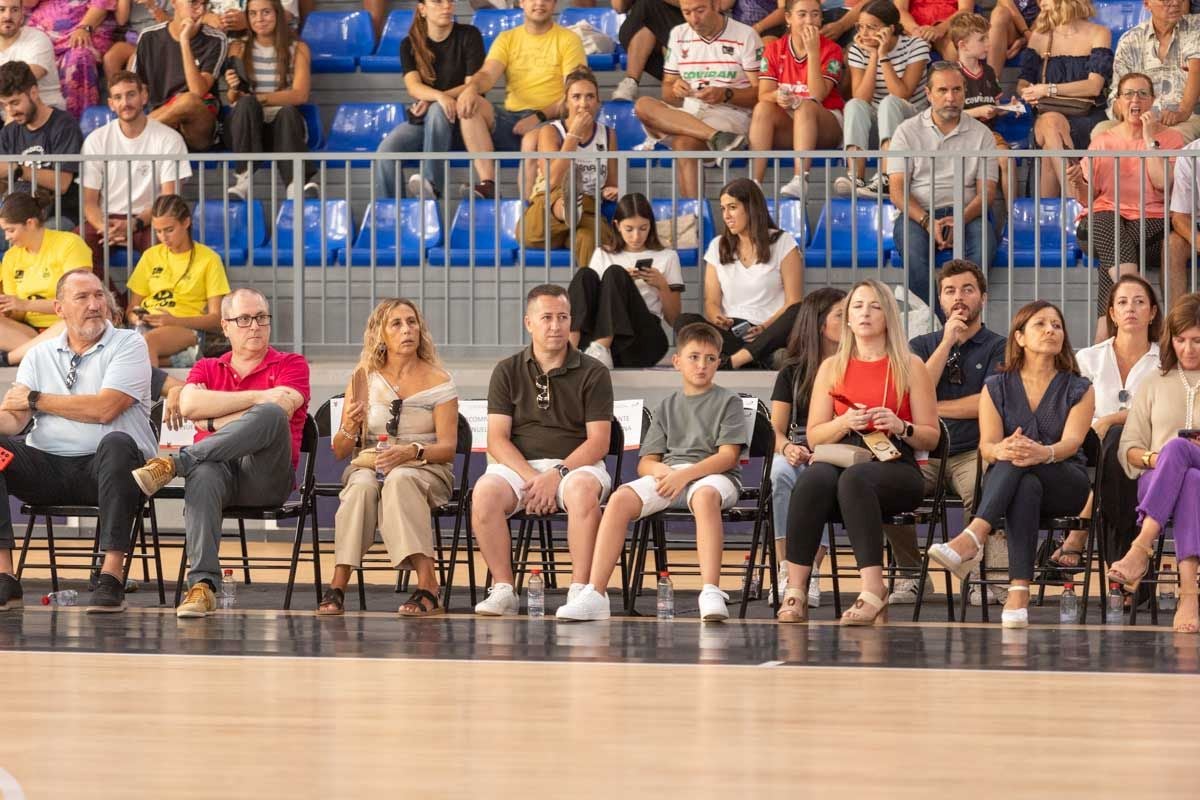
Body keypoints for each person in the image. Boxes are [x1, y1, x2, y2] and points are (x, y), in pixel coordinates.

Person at [129, 287, 310, 619]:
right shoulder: (208, 367)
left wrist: (212, 420)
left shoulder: (291, 363)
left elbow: (282, 407)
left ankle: (175, 464)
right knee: (206, 470)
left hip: (265, 479)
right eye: (244, 319)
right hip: (216, 474)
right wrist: (258, 398)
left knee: (269, 417)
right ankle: (202, 588)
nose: (255, 326)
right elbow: (189, 404)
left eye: (261, 318)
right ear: (225, 326)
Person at [556, 321, 746, 622]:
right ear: (677, 362)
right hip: (670, 476)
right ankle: (595, 593)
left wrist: (685, 475)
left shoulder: (729, 401)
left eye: (710, 359)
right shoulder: (667, 406)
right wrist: (662, 471)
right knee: (619, 499)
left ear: (719, 363)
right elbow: (646, 461)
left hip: (714, 476)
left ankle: (710, 590)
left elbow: (727, 456)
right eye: (694, 357)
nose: (702, 365)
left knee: (706, 496)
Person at [779, 279, 941, 624]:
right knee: (812, 480)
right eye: (857, 306)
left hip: (897, 462)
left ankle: (873, 589)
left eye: (874, 306)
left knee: (854, 480)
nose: (865, 313)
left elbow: (931, 436)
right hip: (844, 452)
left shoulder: (911, 366)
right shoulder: (831, 367)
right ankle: (795, 588)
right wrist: (846, 422)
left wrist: (901, 426)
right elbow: (815, 435)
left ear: (888, 317)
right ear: (848, 319)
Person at [929, 300, 1095, 628]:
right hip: (1016, 483)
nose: (1051, 330)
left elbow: (1072, 444)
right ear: (1019, 337)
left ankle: (974, 534)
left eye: (1057, 325)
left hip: (1065, 480)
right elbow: (987, 447)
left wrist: (1041, 453)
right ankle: (1018, 591)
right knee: (1019, 472)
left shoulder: (1079, 387)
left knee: (1018, 461)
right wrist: (1005, 449)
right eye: (1040, 324)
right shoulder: (996, 386)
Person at [0, 270, 156, 614]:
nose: (95, 304)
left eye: (99, 295)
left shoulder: (129, 344)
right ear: (59, 309)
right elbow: (15, 420)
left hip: (108, 471)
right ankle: (5, 576)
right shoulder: (39, 355)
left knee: (117, 441)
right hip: (46, 468)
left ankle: (111, 577)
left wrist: (37, 398)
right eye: (82, 298)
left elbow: (106, 408)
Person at [470, 284, 613, 616]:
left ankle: (581, 591)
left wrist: (556, 474)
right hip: (520, 469)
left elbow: (598, 442)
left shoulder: (594, 372)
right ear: (529, 322)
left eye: (563, 317)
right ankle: (504, 588)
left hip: (577, 466)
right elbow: (497, 440)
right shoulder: (506, 370)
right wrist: (534, 478)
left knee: (579, 490)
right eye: (546, 317)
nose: (555, 325)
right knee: (485, 492)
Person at [317, 299, 459, 617]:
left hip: (426, 467)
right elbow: (340, 451)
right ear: (380, 333)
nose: (407, 329)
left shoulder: (439, 380)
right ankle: (338, 585)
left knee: (401, 479)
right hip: (371, 463)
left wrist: (411, 452)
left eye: (412, 322)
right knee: (361, 488)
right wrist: (352, 425)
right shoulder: (363, 378)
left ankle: (428, 586)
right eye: (396, 324)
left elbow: (448, 448)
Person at [904, 260, 1007, 606]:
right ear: (940, 299)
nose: (958, 297)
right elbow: (912, 391)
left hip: (971, 452)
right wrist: (947, 342)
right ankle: (909, 574)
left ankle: (977, 575)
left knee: (984, 485)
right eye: (950, 291)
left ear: (983, 297)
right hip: (924, 454)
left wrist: (929, 407)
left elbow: (988, 401)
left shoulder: (1001, 346)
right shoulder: (921, 345)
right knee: (885, 485)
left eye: (967, 289)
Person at [1066, 72, 1187, 341]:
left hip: (1152, 222)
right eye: (1129, 94)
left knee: (1117, 248)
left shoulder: (1172, 140)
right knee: (1106, 216)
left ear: (1153, 101)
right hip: (1102, 223)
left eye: (1143, 94)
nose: (1136, 99)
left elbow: (1162, 184)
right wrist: (1077, 184)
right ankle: (1136, 294)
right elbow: (1088, 199)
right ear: (1118, 102)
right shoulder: (1102, 141)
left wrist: (1148, 139)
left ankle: (1104, 334)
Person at [1052, 273, 1160, 571]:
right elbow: (1068, 411)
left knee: (1117, 436)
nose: (1130, 309)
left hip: (1148, 450)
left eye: (1139, 302)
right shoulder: (1087, 358)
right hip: (1089, 446)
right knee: (1113, 443)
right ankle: (1124, 568)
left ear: (1152, 312)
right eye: (1122, 302)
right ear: (1112, 313)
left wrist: (1115, 418)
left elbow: (1164, 413)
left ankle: (1079, 534)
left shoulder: (1166, 360)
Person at [1109, 291, 1200, 633]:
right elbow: (1128, 448)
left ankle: (1140, 548)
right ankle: (1188, 595)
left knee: (1178, 449)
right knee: (1187, 475)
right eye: (1181, 340)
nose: (1188, 349)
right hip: (1160, 478)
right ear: (1170, 340)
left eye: (1197, 341)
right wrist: (1153, 457)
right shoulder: (1153, 382)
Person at [887, 62, 998, 305]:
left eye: (957, 90)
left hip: (968, 212)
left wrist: (959, 219)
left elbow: (987, 193)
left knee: (982, 247)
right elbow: (896, 191)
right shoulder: (906, 131)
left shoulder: (982, 134)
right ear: (928, 94)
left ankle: (966, 315)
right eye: (942, 90)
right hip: (919, 213)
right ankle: (940, 324)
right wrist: (927, 221)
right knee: (914, 252)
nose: (951, 97)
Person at [456, 0, 586, 200]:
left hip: (551, 121)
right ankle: (488, 183)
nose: (539, 3)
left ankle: (528, 209)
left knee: (531, 139)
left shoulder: (568, 39)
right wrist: (471, 88)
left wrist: (538, 116)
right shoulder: (507, 38)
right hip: (512, 120)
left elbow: (574, 94)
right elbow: (487, 74)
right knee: (471, 105)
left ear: (554, 4)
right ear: (522, 3)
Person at [633, 0, 763, 199]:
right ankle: (717, 137)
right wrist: (675, 88)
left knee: (683, 144)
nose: (694, 19)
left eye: (700, 10)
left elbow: (761, 93)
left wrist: (727, 94)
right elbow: (667, 90)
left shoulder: (746, 35)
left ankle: (693, 221)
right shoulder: (678, 34)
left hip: (729, 115)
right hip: (690, 111)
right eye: (687, 12)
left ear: (717, 5)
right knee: (642, 105)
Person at [673, 178, 803, 369]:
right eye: (723, 209)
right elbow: (712, 302)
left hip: (769, 330)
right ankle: (761, 359)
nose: (726, 215)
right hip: (732, 332)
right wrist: (718, 317)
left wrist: (764, 327)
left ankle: (736, 361)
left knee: (799, 310)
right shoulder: (718, 245)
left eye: (732, 207)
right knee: (684, 321)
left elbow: (793, 301)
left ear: (751, 208)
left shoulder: (783, 242)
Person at [768, 286, 845, 609]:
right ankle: (788, 569)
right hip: (798, 447)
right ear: (819, 323)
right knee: (780, 472)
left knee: (819, 478)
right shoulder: (792, 372)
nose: (852, 320)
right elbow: (775, 428)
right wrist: (786, 447)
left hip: (839, 450)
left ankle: (811, 570)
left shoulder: (853, 366)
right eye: (842, 315)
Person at [372, 0, 484, 201]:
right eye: (438, 2)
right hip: (427, 123)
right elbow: (413, 87)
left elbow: (472, 85)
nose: (447, 6)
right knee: (386, 151)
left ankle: (431, 184)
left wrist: (437, 100)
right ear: (422, 9)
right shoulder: (409, 44)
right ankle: (391, 212)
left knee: (436, 110)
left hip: (465, 119)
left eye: (450, 1)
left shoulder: (469, 34)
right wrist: (438, 97)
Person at [80, 71, 191, 272]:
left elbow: (168, 200)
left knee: (167, 243)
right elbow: (89, 201)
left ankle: (143, 303)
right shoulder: (96, 140)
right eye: (118, 97)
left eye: (131, 94)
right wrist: (104, 227)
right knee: (75, 249)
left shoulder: (169, 139)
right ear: (111, 103)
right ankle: (115, 302)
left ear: (144, 96)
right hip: (107, 219)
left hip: (151, 219)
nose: (125, 102)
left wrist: (135, 224)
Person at [568, 192, 683, 369]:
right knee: (585, 274)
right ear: (617, 226)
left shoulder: (667, 257)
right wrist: (617, 285)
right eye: (629, 229)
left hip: (643, 341)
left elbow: (674, 319)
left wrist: (661, 285)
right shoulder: (603, 253)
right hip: (600, 337)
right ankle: (569, 350)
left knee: (615, 273)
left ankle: (601, 347)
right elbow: (590, 302)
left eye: (643, 228)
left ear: (651, 226)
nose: (636, 236)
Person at [518, 67, 618, 270]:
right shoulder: (550, 131)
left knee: (589, 237)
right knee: (530, 228)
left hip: (588, 206)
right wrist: (573, 136)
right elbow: (552, 178)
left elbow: (612, 182)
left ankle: (588, 295)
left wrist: (611, 191)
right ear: (566, 102)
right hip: (549, 205)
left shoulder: (608, 134)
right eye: (576, 97)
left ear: (598, 102)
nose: (584, 103)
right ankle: (568, 210)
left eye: (590, 96)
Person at [833, 0, 930, 198]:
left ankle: (887, 176)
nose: (864, 32)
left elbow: (902, 93)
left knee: (890, 102)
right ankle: (855, 176)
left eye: (872, 27)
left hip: (913, 119)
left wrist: (884, 55)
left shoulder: (916, 46)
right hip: (877, 122)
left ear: (890, 28)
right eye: (860, 26)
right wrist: (873, 56)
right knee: (853, 105)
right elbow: (861, 97)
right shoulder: (858, 49)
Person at [749, 0, 846, 198]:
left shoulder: (832, 49)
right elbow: (764, 94)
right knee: (763, 108)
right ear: (788, 18)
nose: (809, 20)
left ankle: (800, 179)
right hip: (791, 124)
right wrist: (777, 96)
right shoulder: (774, 49)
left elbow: (817, 95)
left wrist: (813, 51)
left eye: (815, 14)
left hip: (826, 123)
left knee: (805, 105)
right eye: (802, 14)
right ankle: (754, 184)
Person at [1016, 0, 1111, 199]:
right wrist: (1029, 93)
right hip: (1048, 116)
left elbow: (1093, 86)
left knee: (1051, 152)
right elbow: (1023, 83)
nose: (1040, 3)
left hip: (1087, 116)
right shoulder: (1040, 36)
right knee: (1051, 121)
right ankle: (1076, 201)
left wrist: (1048, 90)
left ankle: (1048, 219)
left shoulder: (1099, 33)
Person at [223, 0, 314, 200]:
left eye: (266, 12)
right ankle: (243, 181)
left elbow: (300, 94)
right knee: (246, 104)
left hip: (282, 126)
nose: (259, 19)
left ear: (278, 14)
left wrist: (259, 98)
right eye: (253, 14)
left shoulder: (298, 48)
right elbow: (234, 99)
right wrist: (233, 88)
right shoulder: (237, 47)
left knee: (289, 111)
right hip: (246, 125)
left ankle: (295, 186)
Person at [125, 194, 229, 367]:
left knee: (146, 343)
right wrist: (138, 318)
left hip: (186, 328)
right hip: (146, 325)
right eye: (158, 231)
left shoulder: (209, 259)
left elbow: (217, 319)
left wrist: (173, 321)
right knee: (136, 343)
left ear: (186, 222)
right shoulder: (150, 256)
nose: (163, 237)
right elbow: (131, 309)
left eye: (169, 230)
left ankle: (151, 391)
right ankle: (177, 361)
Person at [0, 193, 91, 367]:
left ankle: (11, 358)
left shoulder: (69, 244)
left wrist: (24, 304)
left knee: (75, 318)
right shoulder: (11, 257)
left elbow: (79, 302)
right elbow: (18, 313)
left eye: (11, 230)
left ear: (30, 223)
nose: (7, 237)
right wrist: (8, 309)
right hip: (30, 333)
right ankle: (45, 355)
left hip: (66, 326)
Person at [1099, 0, 1200, 143]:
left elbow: (1197, 69)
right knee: (1101, 132)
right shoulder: (1130, 40)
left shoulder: (1196, 26)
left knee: (1170, 139)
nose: (1176, 3)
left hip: (1186, 119)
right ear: (1147, 4)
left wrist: (1181, 113)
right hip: (1138, 118)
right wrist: (1135, 115)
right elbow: (1117, 94)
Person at [134, 0, 228, 150]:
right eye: (193, 3)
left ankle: (133, 134)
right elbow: (137, 89)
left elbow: (198, 91)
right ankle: (137, 133)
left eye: (204, 4)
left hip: (198, 128)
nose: (200, 10)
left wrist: (184, 40)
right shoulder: (148, 37)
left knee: (188, 100)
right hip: (162, 124)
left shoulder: (216, 39)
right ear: (173, 2)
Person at [0, 60, 83, 232]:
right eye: (4, 105)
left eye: (15, 103)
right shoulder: (8, 132)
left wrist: (17, 169)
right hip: (17, 214)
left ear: (34, 92)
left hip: (59, 214)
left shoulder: (64, 125)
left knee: (28, 235)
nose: (10, 111)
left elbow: (62, 183)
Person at [950, 12, 1013, 201]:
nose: (988, 44)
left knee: (1006, 158)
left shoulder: (988, 71)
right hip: (958, 135)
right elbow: (947, 114)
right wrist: (978, 111)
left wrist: (1009, 108)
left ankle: (1012, 215)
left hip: (987, 133)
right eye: (982, 39)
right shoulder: (950, 73)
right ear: (963, 45)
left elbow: (995, 107)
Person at [26, 0, 115, 118]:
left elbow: (101, 4)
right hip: (41, 32)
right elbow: (27, 3)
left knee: (79, 57)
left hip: (82, 30)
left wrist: (84, 28)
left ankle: (78, 122)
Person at [0, 0, 65, 110]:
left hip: (44, 111)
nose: (8, 16)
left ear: (22, 15)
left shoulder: (37, 39)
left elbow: (21, 81)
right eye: (1, 10)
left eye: (14, 10)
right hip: (7, 114)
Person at [103, 0, 171, 79]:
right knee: (111, 58)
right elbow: (121, 21)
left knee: (135, 58)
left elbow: (170, 26)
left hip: (157, 39)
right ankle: (116, 90)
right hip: (136, 39)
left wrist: (152, 6)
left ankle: (132, 89)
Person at [895, 0, 969, 60]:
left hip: (948, 25)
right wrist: (916, 31)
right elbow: (899, 9)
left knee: (956, 50)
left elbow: (966, 9)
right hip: (912, 25)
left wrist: (940, 28)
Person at [1170, 137, 1200, 272]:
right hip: (1198, 226)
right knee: (1173, 245)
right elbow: (1179, 216)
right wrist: (1197, 240)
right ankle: (1177, 295)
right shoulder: (1189, 153)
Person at [986, 0, 1038, 75]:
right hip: (1013, 29)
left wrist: (1024, 40)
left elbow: (1048, 11)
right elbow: (1008, 5)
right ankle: (991, 82)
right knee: (999, 13)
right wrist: (1026, 33)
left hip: (1040, 29)